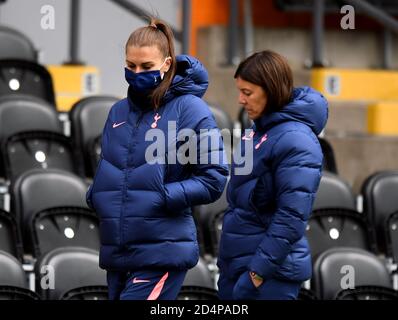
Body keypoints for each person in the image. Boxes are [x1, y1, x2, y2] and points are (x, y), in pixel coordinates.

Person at [86, 18, 229, 300]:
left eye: (146, 67)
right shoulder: (117, 112)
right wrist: (97, 196)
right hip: (118, 251)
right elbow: (112, 168)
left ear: (166, 64)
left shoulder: (190, 109)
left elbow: (213, 178)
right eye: (131, 66)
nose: (137, 73)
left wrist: (162, 196)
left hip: (162, 251)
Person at [217, 50, 328, 300]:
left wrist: (256, 274)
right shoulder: (257, 130)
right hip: (237, 267)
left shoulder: (297, 140)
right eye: (239, 91)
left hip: (267, 277)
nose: (240, 100)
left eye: (247, 93)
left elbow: (291, 218)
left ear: (271, 89)